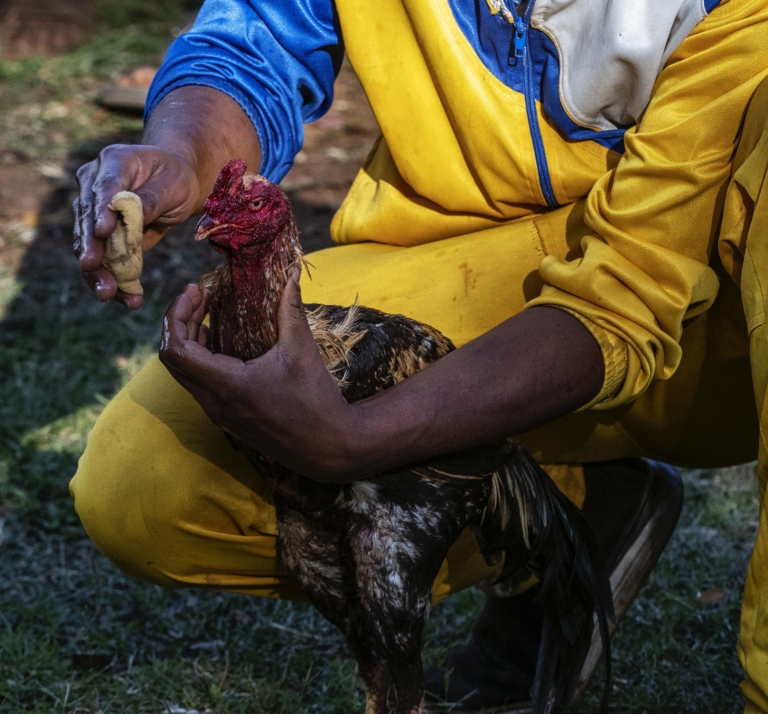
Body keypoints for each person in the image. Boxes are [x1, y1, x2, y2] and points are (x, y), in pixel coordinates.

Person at [69, 0, 768, 709]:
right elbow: (260, 34)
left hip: (712, 328)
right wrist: (185, 153)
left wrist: (356, 439)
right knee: (148, 481)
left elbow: (629, 290)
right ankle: (573, 507)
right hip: (477, 268)